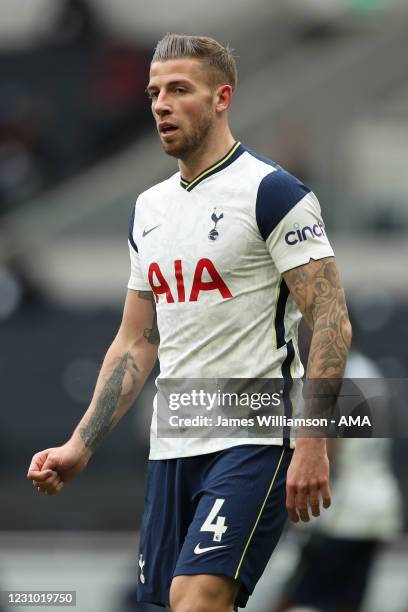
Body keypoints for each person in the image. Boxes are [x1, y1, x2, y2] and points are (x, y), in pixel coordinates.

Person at [27, 34, 352, 612]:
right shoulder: (149, 209)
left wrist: (312, 439)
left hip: (254, 436)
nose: (160, 104)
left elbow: (330, 318)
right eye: (154, 92)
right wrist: (80, 443)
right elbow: (136, 340)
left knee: (196, 599)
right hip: (173, 443)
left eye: (179, 90)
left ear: (222, 97)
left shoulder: (272, 192)